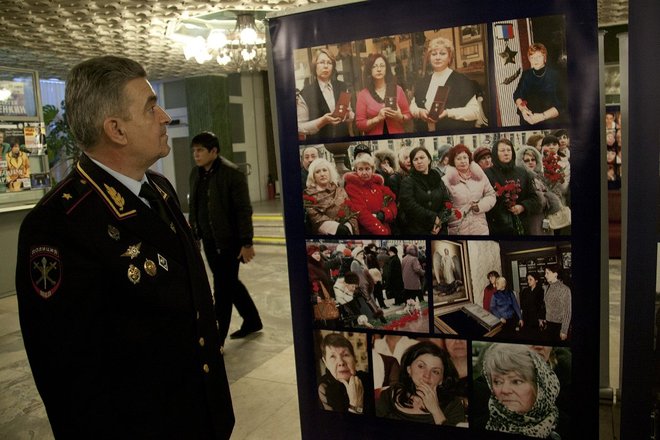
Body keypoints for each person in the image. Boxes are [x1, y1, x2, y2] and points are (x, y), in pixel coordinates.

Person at [15, 56, 234, 438]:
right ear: (116, 129)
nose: (164, 117)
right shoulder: (58, 225)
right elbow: (69, 379)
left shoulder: (158, 188)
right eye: (151, 108)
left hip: (200, 414)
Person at [189, 131, 263, 343]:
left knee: (221, 289)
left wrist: (247, 242)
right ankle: (252, 320)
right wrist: (194, 234)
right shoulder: (196, 174)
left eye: (200, 150)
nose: (196, 155)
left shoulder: (232, 173)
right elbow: (195, 206)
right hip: (209, 240)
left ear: (214, 151)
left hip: (229, 242)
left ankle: (216, 339)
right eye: (194, 151)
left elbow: (243, 210)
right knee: (229, 283)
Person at [479, 343, 561, 438]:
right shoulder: (480, 424)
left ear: (539, 387)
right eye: (498, 382)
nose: (505, 390)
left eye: (516, 381)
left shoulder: (566, 428)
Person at [375, 341, 466, 425]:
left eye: (435, 371)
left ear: (442, 379)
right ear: (409, 369)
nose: (427, 375)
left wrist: (436, 410)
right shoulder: (390, 394)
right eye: (421, 366)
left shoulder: (453, 405)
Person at [410, 37, 484, 131]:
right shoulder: (422, 82)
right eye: (434, 54)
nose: (437, 57)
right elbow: (412, 106)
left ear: (450, 57)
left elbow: (475, 112)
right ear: (429, 58)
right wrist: (419, 112)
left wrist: (448, 113)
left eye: (442, 53)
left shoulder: (462, 81)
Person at [485, 138, 541, 235]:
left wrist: (522, 206)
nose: (506, 153)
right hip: (498, 227)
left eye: (509, 150)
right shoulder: (487, 174)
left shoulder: (522, 172)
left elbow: (534, 199)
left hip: (522, 225)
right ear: (495, 153)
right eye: (502, 150)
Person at [297, 48, 354, 141]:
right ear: (315, 66)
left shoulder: (342, 87)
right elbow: (299, 127)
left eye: (329, 63)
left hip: (343, 141)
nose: (326, 66)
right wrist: (322, 121)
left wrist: (348, 115)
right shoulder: (305, 93)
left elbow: (350, 114)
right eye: (322, 62)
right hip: (319, 143)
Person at [442, 144, 496, 235]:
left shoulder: (480, 176)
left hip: (480, 229)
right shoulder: (446, 181)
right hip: (458, 230)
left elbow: (491, 194)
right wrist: (453, 214)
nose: (463, 161)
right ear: (453, 161)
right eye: (458, 159)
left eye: (465, 157)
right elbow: (442, 205)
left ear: (469, 159)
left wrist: (480, 206)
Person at [399, 146, 452, 235]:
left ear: (429, 160)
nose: (419, 161)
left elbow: (447, 204)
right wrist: (433, 218)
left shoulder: (438, 179)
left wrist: (439, 222)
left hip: (439, 230)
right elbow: (409, 205)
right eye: (415, 159)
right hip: (417, 231)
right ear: (412, 163)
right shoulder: (408, 181)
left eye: (422, 157)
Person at [356, 53, 411, 135]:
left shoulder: (397, 90)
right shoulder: (363, 95)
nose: (379, 69)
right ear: (369, 70)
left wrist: (400, 117)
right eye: (374, 66)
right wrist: (377, 119)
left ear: (386, 69)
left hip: (397, 136)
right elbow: (359, 124)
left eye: (382, 66)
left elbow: (408, 115)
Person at [343, 152, 397, 235]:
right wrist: (382, 231)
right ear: (356, 170)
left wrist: (383, 214)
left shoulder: (378, 185)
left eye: (367, 169)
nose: (364, 172)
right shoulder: (352, 188)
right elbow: (362, 214)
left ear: (372, 170)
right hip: (368, 232)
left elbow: (392, 203)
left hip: (386, 228)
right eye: (360, 169)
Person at [317, 333, 371, 414]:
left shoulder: (367, 378)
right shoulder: (323, 387)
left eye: (345, 355)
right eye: (333, 356)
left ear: (354, 359)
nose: (341, 362)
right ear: (325, 362)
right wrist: (355, 405)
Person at [513, 43, 564, 125]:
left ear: (545, 58)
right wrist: (523, 109)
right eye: (532, 57)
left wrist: (542, 116)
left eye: (539, 56)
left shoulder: (555, 75)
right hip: (527, 118)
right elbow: (518, 94)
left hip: (548, 121)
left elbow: (561, 106)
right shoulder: (526, 74)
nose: (535, 60)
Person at [516, 145, 563, 235]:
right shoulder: (522, 178)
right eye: (527, 160)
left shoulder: (540, 176)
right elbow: (536, 201)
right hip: (532, 219)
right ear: (521, 162)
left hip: (545, 217)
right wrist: (546, 197)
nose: (531, 162)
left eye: (533, 159)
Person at [304, 157, 358, 235]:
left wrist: (348, 226)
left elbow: (351, 211)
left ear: (330, 173)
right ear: (313, 176)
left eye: (324, 170)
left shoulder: (340, 190)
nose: (322, 174)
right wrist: (337, 228)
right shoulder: (308, 195)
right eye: (317, 172)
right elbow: (315, 218)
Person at [308, 245, 340, 328]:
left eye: (318, 253)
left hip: (325, 295)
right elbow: (314, 283)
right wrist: (316, 294)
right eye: (315, 254)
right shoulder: (310, 267)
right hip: (321, 298)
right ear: (310, 255)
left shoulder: (319, 264)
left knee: (329, 318)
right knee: (325, 319)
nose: (317, 256)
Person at [543, 265, 572, 341]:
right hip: (548, 324)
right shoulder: (547, 288)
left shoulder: (564, 289)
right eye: (545, 273)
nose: (545, 275)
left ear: (555, 274)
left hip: (559, 326)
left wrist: (564, 330)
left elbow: (567, 312)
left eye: (547, 273)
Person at [519, 273, 546, 339]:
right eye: (527, 279)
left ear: (536, 280)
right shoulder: (525, 291)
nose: (528, 281)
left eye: (530, 279)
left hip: (536, 319)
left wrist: (541, 319)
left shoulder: (541, 291)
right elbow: (522, 306)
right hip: (526, 318)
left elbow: (542, 306)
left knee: (536, 337)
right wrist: (521, 318)